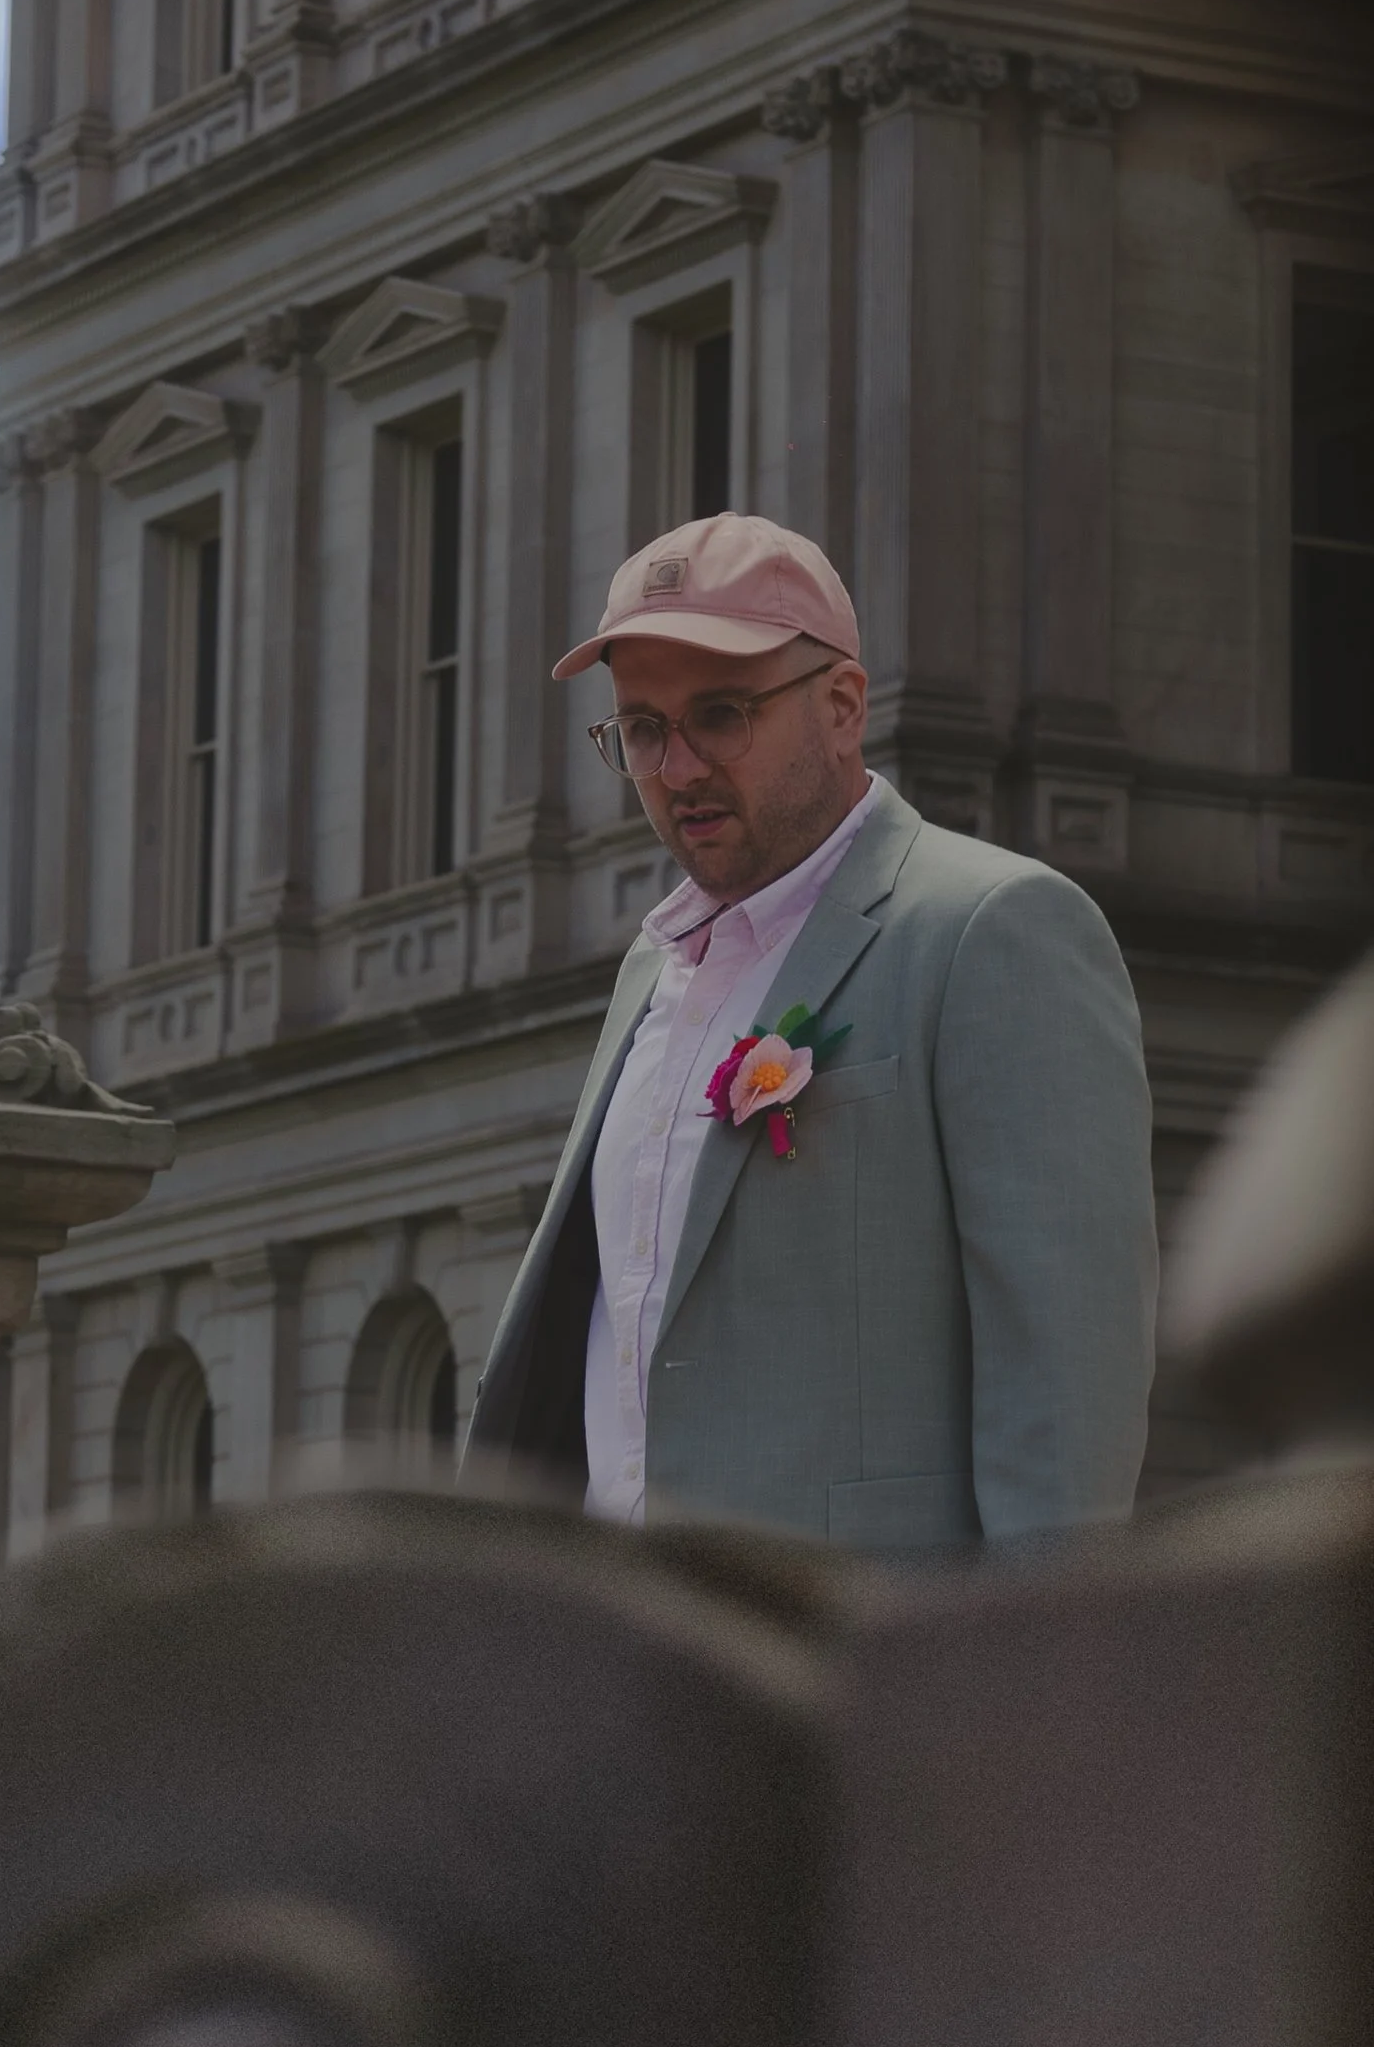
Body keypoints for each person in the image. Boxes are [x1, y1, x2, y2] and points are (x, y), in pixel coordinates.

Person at [466, 512, 1156, 1548]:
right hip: (623, 1672)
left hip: (870, 1679)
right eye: (644, 728)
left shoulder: (992, 930)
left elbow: (1067, 1396)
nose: (678, 767)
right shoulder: (651, 970)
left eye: (722, 713)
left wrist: (1034, 1698)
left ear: (841, 706)